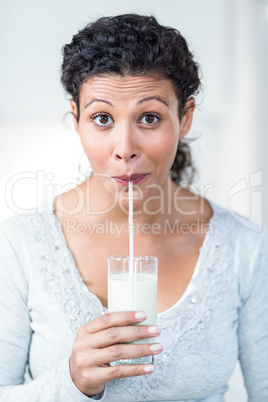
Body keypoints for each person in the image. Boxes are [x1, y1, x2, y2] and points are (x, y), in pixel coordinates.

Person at [0, 13, 267, 402]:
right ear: (77, 120)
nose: (125, 147)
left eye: (150, 117)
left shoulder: (246, 246)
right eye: (102, 118)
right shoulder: (19, 243)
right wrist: (70, 381)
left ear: (185, 117)